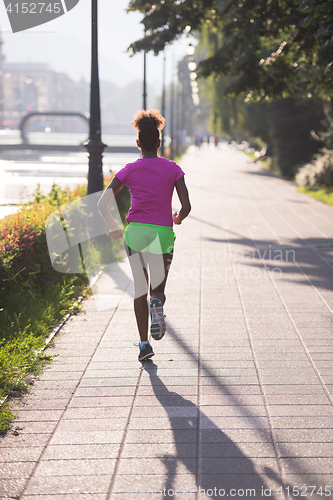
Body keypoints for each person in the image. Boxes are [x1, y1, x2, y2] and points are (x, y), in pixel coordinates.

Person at [98, 109, 191, 362]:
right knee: (156, 290)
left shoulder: (129, 170)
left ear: (138, 142)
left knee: (139, 288)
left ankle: (143, 345)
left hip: (136, 233)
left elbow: (103, 202)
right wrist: (177, 218)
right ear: (159, 142)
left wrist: (113, 226)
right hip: (162, 233)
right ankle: (157, 302)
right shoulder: (173, 168)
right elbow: (186, 206)